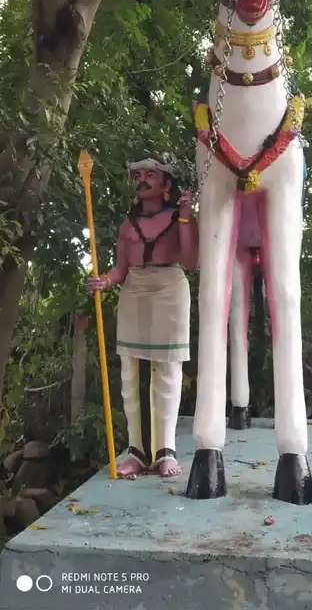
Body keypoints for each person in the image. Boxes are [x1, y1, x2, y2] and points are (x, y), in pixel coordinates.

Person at [87, 155, 198, 479]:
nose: (143, 180)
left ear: (166, 184)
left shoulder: (180, 217)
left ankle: (165, 452)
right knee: (130, 372)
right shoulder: (126, 226)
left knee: (167, 369)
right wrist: (104, 281)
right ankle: (136, 451)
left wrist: (187, 218)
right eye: (139, 175)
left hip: (169, 287)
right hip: (134, 288)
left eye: (151, 175)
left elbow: (191, 261)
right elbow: (121, 268)